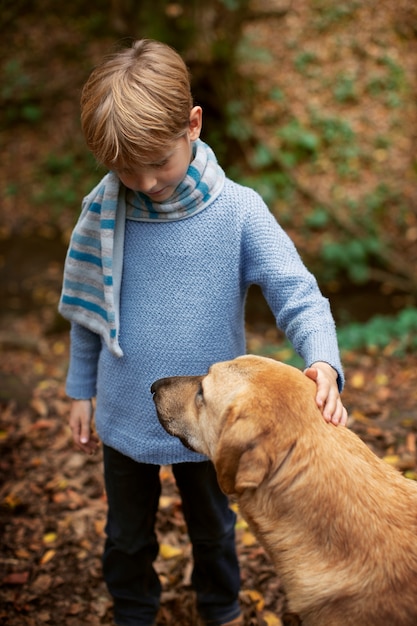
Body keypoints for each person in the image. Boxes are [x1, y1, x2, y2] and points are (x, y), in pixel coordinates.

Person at [59, 38, 347, 626]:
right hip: (122, 411)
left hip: (215, 421)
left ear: (193, 125)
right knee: (127, 537)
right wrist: (78, 390)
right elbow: (90, 310)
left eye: (157, 163)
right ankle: (134, 612)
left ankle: (221, 611)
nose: (142, 182)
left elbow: (297, 293)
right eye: (123, 169)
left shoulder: (238, 211)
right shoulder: (103, 211)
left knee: (214, 532)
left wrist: (322, 360)